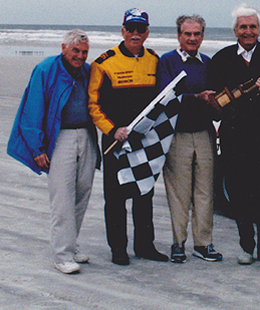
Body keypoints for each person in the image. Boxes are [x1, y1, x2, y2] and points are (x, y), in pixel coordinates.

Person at [207, 4, 260, 266]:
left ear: (259, 30)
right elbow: (214, 103)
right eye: (243, 27)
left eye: (253, 27)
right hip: (234, 135)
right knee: (239, 192)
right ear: (235, 30)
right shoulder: (222, 58)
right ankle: (247, 246)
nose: (248, 31)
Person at [7, 29, 100, 274]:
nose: (80, 56)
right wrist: (37, 148)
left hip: (87, 136)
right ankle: (62, 255)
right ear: (63, 48)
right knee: (62, 198)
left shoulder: (87, 71)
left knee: (82, 193)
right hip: (61, 139)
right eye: (75, 51)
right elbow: (32, 109)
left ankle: (71, 244)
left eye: (84, 52)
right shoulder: (46, 69)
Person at [88, 8, 167, 265]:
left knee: (144, 193)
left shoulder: (154, 60)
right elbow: (93, 106)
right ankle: (118, 249)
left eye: (141, 29)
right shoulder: (103, 63)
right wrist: (113, 130)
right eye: (130, 28)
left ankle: (144, 246)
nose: (135, 34)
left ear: (147, 32)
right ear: (122, 30)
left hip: (144, 140)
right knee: (115, 197)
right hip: (115, 140)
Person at [157, 15, 222, 263]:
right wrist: (196, 98)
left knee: (206, 191)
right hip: (177, 134)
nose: (192, 38)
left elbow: (217, 98)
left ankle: (204, 243)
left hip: (205, 133)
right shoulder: (167, 62)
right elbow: (164, 99)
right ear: (179, 36)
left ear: (202, 36)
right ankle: (178, 243)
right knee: (179, 193)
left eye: (197, 34)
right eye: (187, 34)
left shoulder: (208, 62)